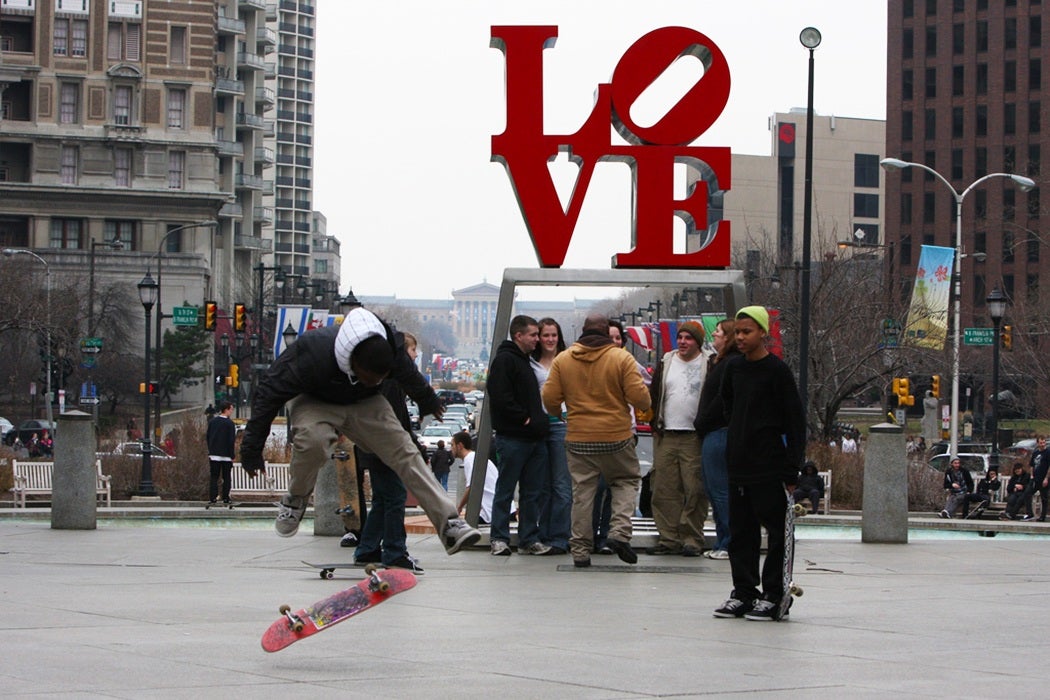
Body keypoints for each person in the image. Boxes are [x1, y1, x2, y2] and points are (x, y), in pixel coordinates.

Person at [239, 306, 480, 555]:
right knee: (314, 441)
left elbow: (410, 375)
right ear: (352, 362)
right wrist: (251, 449)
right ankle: (295, 499)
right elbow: (268, 394)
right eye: (370, 377)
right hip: (314, 400)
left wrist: (428, 400)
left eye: (381, 378)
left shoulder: (391, 347)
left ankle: (449, 524)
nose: (376, 381)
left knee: (405, 450)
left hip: (364, 402)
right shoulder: (311, 353)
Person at [713, 306, 805, 621]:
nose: (740, 337)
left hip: (770, 466)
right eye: (736, 332)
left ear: (762, 333)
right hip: (739, 464)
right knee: (741, 533)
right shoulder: (733, 369)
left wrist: (793, 467)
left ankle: (775, 594)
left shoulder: (777, 371)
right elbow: (727, 406)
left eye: (746, 331)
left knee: (777, 532)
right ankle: (743, 592)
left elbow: (795, 421)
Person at [542, 313, 652, 568]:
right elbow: (640, 398)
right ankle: (619, 533)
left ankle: (580, 549)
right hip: (616, 436)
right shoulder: (621, 358)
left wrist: (561, 415)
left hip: (579, 437)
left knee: (583, 491)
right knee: (625, 480)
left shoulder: (564, 359)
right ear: (606, 332)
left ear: (583, 330)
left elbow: (549, 399)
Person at [486, 314, 552, 556]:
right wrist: (524, 418)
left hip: (533, 438)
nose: (538, 339)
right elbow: (500, 396)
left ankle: (528, 538)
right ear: (518, 335)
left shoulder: (523, 360)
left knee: (532, 493)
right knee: (505, 491)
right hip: (514, 437)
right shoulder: (506, 360)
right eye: (534, 335)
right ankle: (499, 538)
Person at [648, 321, 711, 557]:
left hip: (694, 436)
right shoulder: (666, 362)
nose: (683, 342)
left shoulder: (709, 363)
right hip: (667, 433)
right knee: (663, 488)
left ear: (698, 342)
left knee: (695, 488)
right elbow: (655, 394)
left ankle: (692, 539)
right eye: (681, 337)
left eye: (689, 338)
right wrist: (656, 422)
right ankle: (668, 538)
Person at [695, 318, 739, 560]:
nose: (714, 337)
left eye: (719, 333)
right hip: (714, 431)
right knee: (714, 490)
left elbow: (721, 399)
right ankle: (723, 540)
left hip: (718, 431)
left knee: (720, 490)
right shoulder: (721, 363)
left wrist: (702, 422)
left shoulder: (729, 365)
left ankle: (729, 542)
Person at [530, 317, 571, 554]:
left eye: (553, 335)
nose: (550, 339)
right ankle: (542, 535)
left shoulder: (566, 361)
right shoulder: (531, 363)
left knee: (562, 485)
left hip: (561, 424)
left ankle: (559, 537)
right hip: (538, 426)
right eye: (545, 335)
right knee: (542, 485)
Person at [453, 431, 499, 524]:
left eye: (452, 445)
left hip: (491, 511)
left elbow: (471, 487)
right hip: (499, 509)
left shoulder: (470, 460)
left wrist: (459, 507)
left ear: (460, 446)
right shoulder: (476, 457)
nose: (451, 449)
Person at [206, 401, 237, 505]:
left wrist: (210, 450)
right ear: (227, 409)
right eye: (231, 409)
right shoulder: (230, 424)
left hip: (214, 454)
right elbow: (231, 440)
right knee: (226, 477)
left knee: (214, 477)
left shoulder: (213, 422)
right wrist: (232, 455)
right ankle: (225, 497)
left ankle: (213, 497)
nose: (232, 411)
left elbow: (208, 436)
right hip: (226, 456)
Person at [1028, 436, 1050, 521]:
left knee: (1044, 497)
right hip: (1035, 478)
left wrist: (1046, 478)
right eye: (1041, 443)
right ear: (1038, 443)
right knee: (1027, 494)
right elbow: (1032, 465)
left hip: (1043, 478)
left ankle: (1042, 516)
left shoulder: (1048, 452)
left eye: (1044, 442)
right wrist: (1032, 475)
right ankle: (1030, 514)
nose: (1043, 444)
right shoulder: (1035, 452)